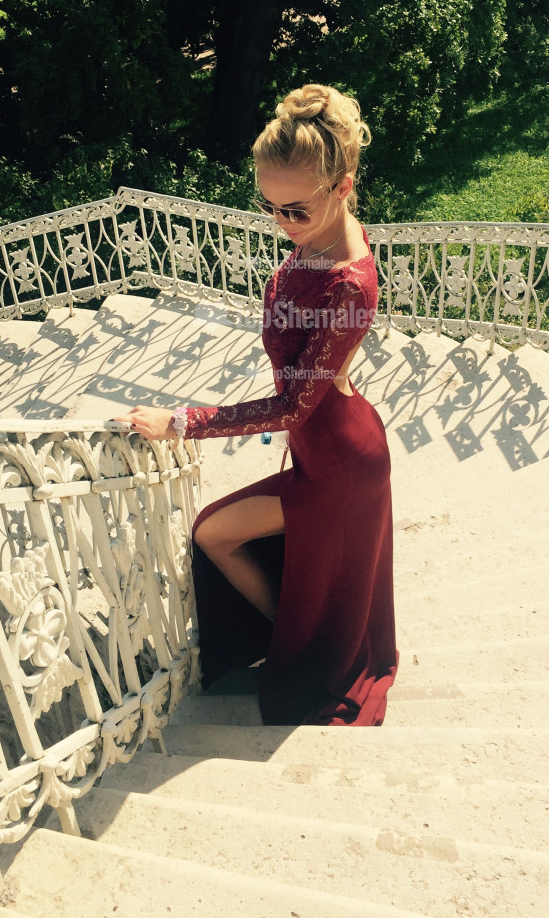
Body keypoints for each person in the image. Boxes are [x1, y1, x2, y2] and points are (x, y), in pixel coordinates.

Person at [117, 84, 397, 726]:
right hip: (324, 447)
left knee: (214, 533)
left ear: (344, 187)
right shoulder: (321, 233)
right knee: (216, 534)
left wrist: (180, 422)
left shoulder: (348, 284)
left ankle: (304, 646)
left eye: (295, 210)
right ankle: (295, 635)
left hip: (340, 463)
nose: (282, 223)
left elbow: (293, 408)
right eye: (269, 207)